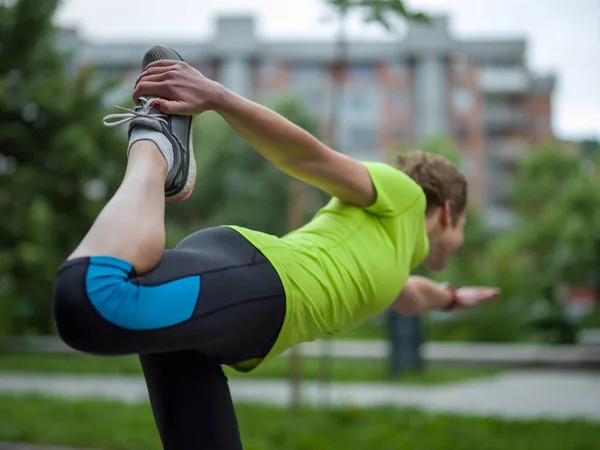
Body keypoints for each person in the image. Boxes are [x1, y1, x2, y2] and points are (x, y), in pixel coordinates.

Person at [53, 46, 499, 450]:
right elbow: (309, 159)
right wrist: (217, 97)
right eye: (462, 226)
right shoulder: (405, 196)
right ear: (446, 214)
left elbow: (410, 294)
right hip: (261, 278)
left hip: (221, 328)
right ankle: (156, 144)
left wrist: (453, 298)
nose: (459, 241)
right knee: (89, 300)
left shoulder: (393, 258)